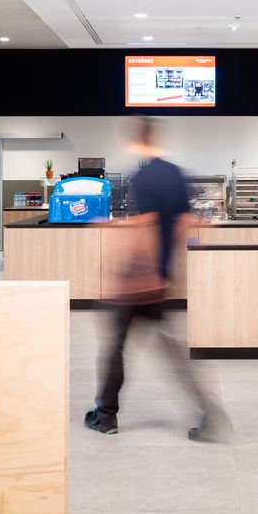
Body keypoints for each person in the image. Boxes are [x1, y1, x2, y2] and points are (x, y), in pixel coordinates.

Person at [85, 117, 226, 441]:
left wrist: (137, 274)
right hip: (159, 278)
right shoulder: (174, 173)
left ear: (136, 141)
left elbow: (147, 226)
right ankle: (209, 413)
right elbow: (184, 222)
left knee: (115, 346)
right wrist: (166, 266)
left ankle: (105, 416)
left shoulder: (143, 176)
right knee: (171, 351)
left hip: (139, 282)